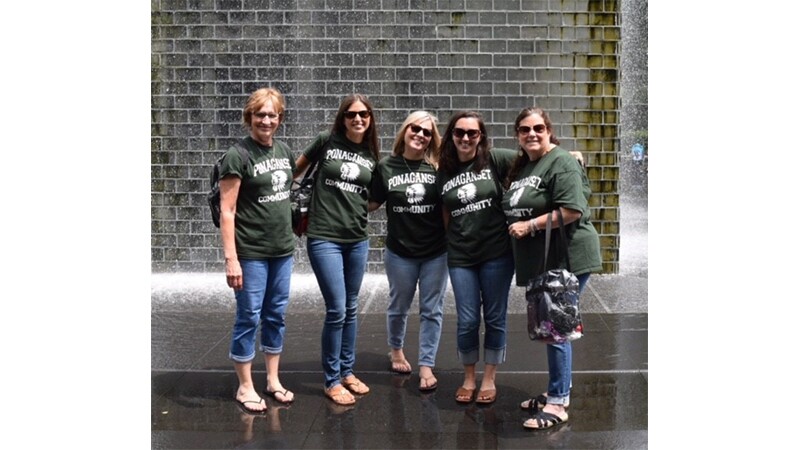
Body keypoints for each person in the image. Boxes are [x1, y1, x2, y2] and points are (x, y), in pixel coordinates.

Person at [502, 107, 602, 430]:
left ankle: (558, 404)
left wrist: (529, 226)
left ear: (549, 131)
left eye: (538, 128)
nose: (532, 134)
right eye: (525, 129)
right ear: (517, 135)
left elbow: (573, 209)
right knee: (551, 327)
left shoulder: (560, 161)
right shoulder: (526, 165)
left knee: (557, 328)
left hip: (569, 256)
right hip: (548, 260)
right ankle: (559, 391)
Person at [293, 94, 381, 406]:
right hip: (324, 236)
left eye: (364, 114)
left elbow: (373, 199)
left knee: (352, 307)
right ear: (342, 118)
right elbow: (294, 172)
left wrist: (354, 209)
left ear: (370, 119)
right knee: (337, 309)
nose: (358, 119)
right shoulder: (325, 141)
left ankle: (347, 371)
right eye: (352, 114)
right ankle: (331, 379)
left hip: (357, 238)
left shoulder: (371, 154)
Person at [218, 87, 297, 414]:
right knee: (249, 316)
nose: (266, 120)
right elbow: (228, 210)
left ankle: (273, 380)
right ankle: (245, 385)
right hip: (250, 253)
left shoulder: (284, 150)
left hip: (282, 251)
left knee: (276, 315)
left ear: (280, 118)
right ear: (249, 117)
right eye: (260, 114)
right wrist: (231, 259)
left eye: (272, 114)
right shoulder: (238, 155)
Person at [436, 111, 517, 405]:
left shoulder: (495, 159)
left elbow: (534, 161)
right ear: (451, 136)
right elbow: (445, 208)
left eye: (472, 133)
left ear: (481, 136)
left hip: (497, 253)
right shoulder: (443, 169)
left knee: (495, 317)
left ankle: (489, 377)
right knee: (468, 319)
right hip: (461, 256)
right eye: (460, 133)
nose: (466, 138)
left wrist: (562, 153)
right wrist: (453, 238)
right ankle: (469, 377)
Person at [368, 111, 447, 392]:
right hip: (400, 251)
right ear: (405, 131)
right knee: (398, 305)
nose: (420, 135)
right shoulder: (386, 167)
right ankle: (396, 350)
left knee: (432, 310)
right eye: (415, 129)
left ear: (431, 140)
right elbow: (371, 203)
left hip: (436, 252)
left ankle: (426, 364)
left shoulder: (438, 168)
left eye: (427, 133)